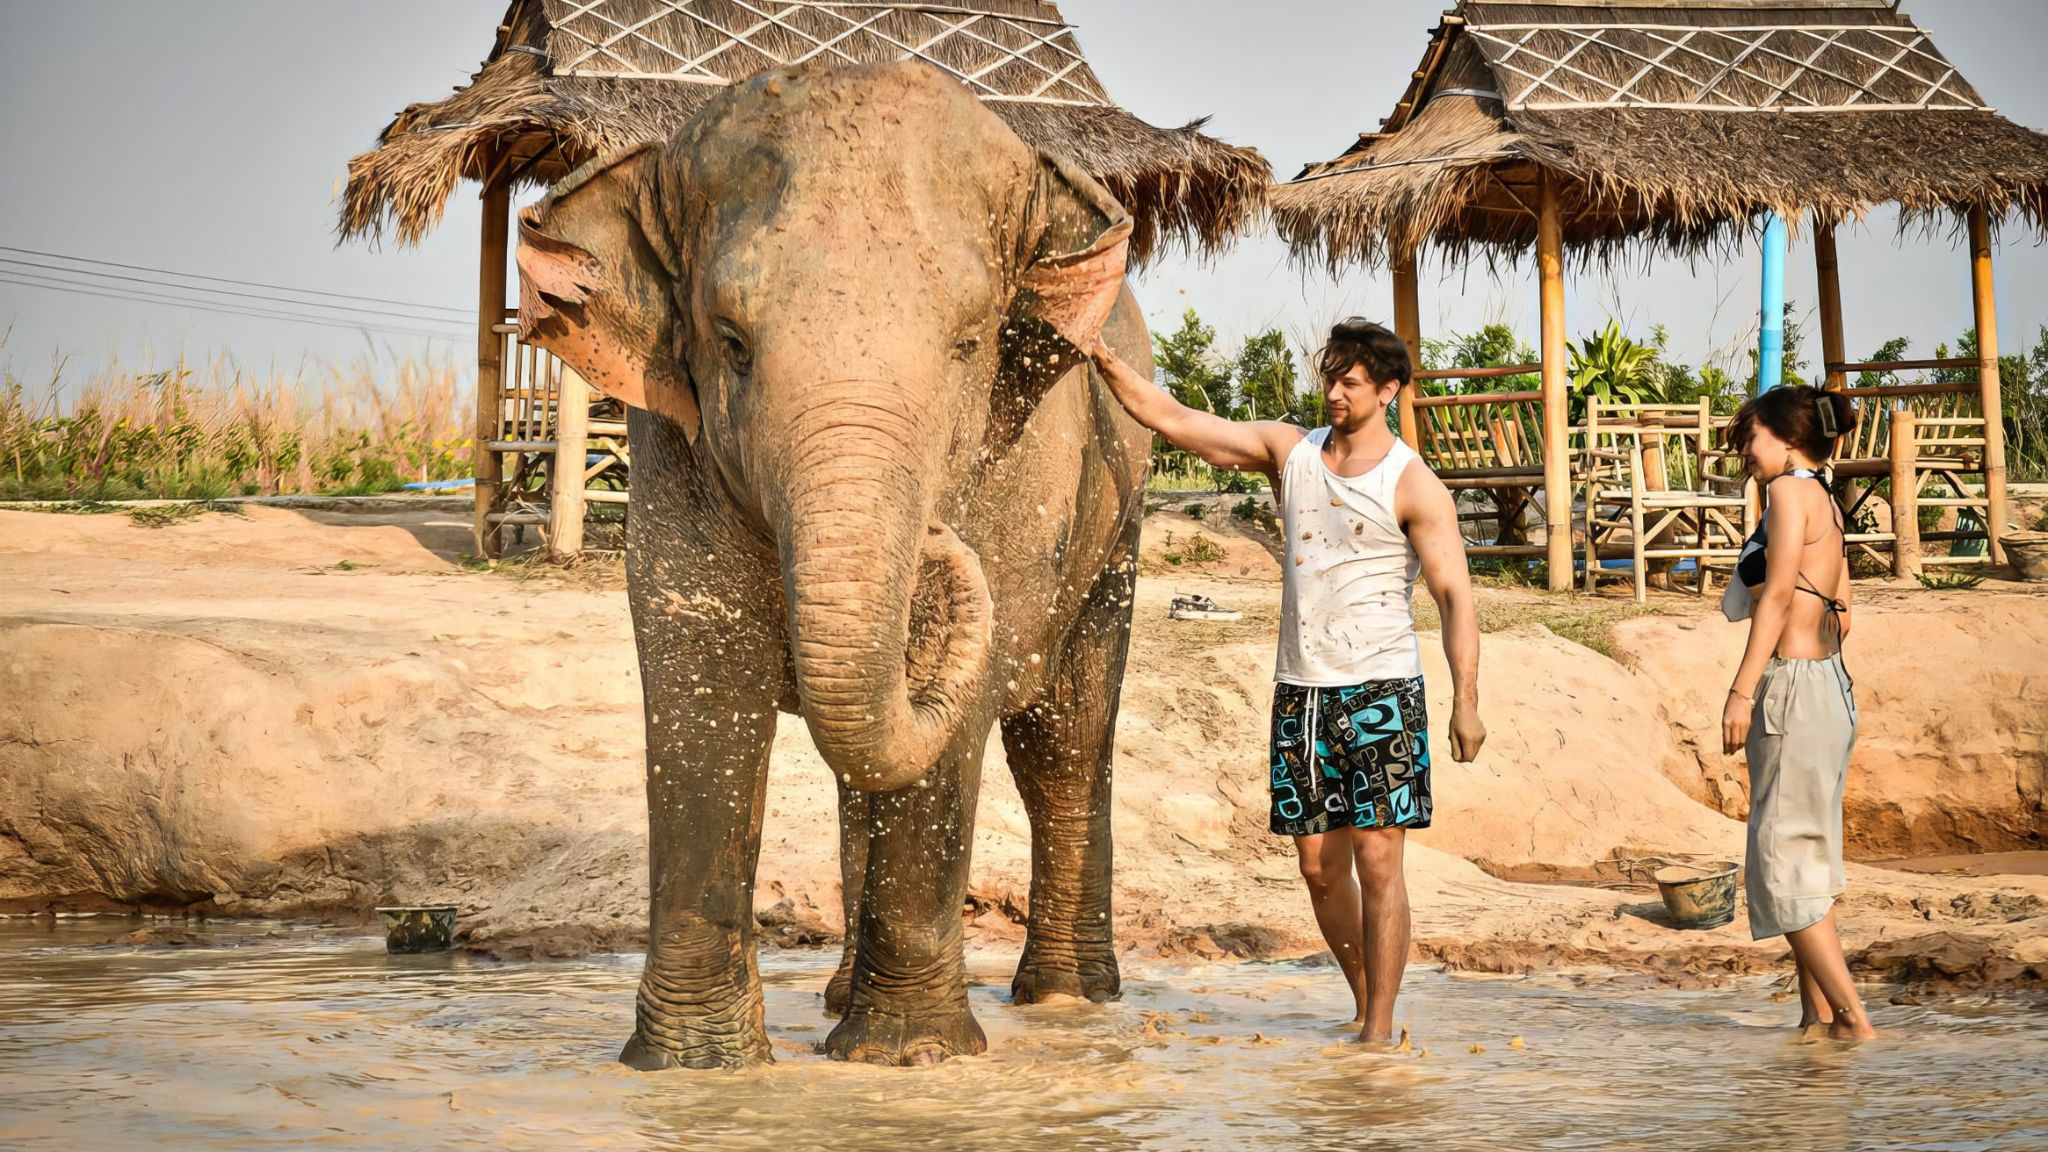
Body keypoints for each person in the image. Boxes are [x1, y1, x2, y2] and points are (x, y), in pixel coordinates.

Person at [1090, 318, 1484, 1045]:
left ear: (1388, 391)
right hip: (1301, 692)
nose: (1335, 392)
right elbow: (1178, 421)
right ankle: (1365, 1003)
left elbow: (1455, 595)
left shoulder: (1413, 483)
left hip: (1382, 690)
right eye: (1330, 378)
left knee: (1379, 860)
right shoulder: (1290, 452)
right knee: (1318, 868)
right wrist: (1102, 356)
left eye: (1351, 382)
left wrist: (1467, 700)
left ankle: (1379, 1032)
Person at [1719, 384, 1877, 1041]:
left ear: (1787, 438)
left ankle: (1855, 1024)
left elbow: (1779, 594)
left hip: (1793, 688)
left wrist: (1742, 690)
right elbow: (1845, 612)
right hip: (1829, 687)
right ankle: (1816, 1019)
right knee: (1803, 861)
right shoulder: (1826, 500)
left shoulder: (1787, 493)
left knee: (1782, 861)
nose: (1745, 452)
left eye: (1751, 438)